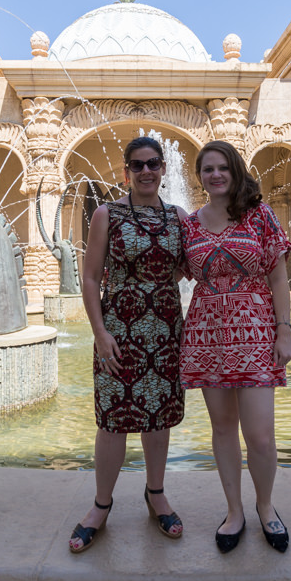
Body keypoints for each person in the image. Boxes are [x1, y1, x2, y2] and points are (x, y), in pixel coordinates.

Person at [69, 132, 189, 553]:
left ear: (163, 168)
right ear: (126, 171)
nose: (146, 171)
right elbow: (90, 278)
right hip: (118, 333)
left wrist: (155, 293)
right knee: (114, 420)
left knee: (157, 418)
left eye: (153, 163)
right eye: (137, 165)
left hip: (165, 332)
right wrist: (100, 333)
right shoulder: (107, 214)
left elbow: (180, 270)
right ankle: (102, 505)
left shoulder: (177, 217)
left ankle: (156, 494)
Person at [179, 140, 291, 554]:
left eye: (222, 167)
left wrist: (284, 330)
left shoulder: (259, 215)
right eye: (207, 169)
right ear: (200, 175)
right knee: (223, 429)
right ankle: (234, 511)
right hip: (207, 335)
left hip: (256, 332)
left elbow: (279, 277)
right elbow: (170, 272)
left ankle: (265, 507)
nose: (215, 175)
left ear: (235, 170)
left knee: (260, 436)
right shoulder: (189, 224)